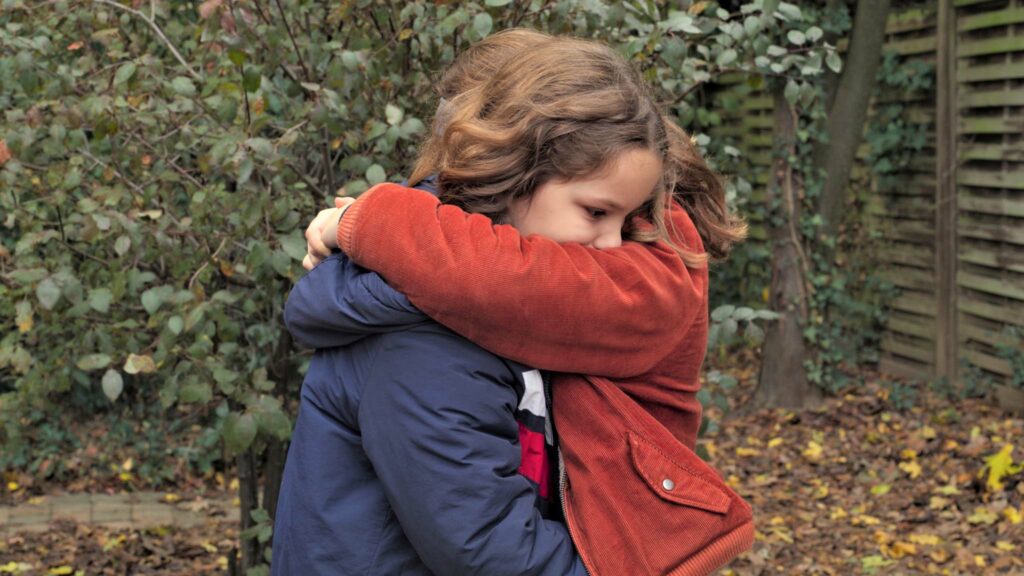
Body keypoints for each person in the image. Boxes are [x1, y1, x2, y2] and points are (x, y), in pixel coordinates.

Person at [291, 34, 754, 575]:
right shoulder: (423, 340)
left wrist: (365, 220)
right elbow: (487, 549)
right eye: (596, 213)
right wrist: (370, 222)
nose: (612, 245)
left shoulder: (650, 261)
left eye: (623, 220)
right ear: (515, 170)